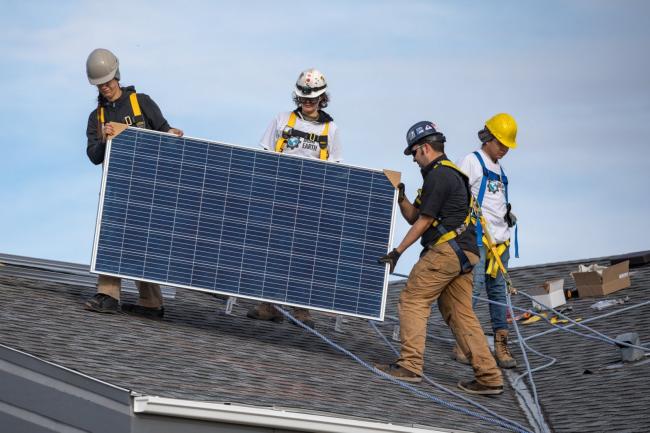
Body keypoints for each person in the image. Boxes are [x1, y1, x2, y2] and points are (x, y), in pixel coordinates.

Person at [375, 121, 503, 395]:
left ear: (424, 148)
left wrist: (398, 252)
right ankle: (489, 377)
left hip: (446, 251)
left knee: (412, 299)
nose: (413, 158)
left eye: (413, 153)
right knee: (461, 314)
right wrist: (400, 196)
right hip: (465, 253)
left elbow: (424, 222)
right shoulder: (443, 176)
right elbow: (413, 214)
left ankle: (409, 365)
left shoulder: (440, 176)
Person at [83, 48, 183, 317]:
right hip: (119, 186)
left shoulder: (142, 102)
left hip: (150, 184)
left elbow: (166, 135)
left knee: (143, 241)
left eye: (108, 81)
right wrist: (104, 140)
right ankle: (107, 294)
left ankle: (151, 303)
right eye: (100, 84)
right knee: (113, 237)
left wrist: (172, 134)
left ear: (117, 75)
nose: (105, 87)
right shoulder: (98, 118)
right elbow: (93, 156)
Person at [246, 68, 342, 329]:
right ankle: (268, 305)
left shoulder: (330, 129)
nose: (307, 103)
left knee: (305, 254)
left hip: (312, 200)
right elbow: (264, 157)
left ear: (322, 98)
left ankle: (301, 309)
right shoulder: (281, 120)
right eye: (303, 98)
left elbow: (335, 170)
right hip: (279, 196)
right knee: (273, 250)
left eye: (312, 99)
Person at [453, 113, 519, 369]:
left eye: (507, 146)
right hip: (478, 240)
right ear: (488, 138)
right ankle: (462, 340)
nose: (503, 149)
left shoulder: (500, 170)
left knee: (498, 294)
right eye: (500, 143)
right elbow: (456, 195)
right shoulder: (472, 161)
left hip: (500, 244)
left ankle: (501, 344)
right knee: (474, 289)